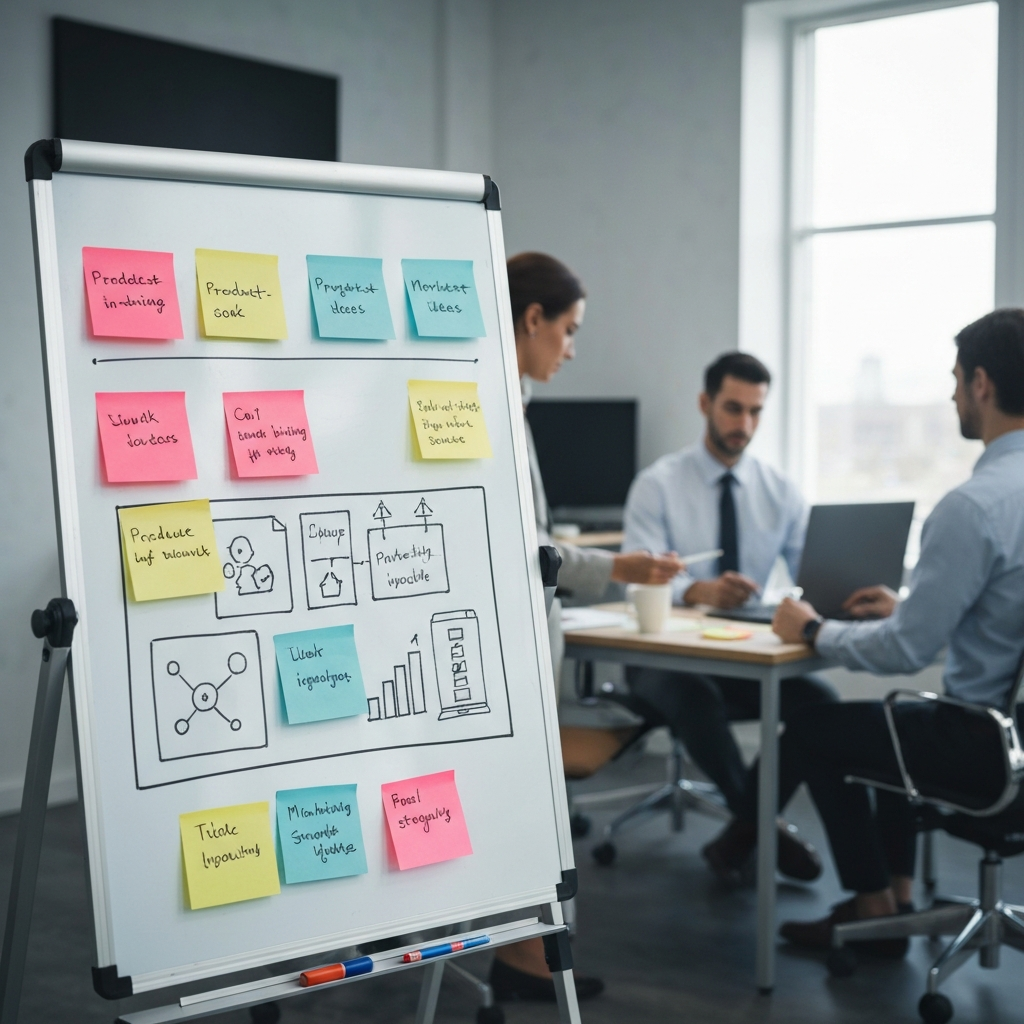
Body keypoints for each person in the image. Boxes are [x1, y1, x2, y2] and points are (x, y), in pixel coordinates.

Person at [742, 308, 1024, 954]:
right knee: (890, 728)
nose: (952, 395)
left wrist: (815, 629)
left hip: (981, 748)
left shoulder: (973, 506)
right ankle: (897, 896)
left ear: (982, 383)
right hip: (1018, 740)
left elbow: (906, 651)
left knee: (817, 730)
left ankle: (872, 907)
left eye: (955, 380)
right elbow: (1003, 621)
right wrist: (912, 605)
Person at [489, 252, 684, 1004]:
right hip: (508, 650)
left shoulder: (508, 398)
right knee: (520, 805)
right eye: (568, 330)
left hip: (522, 641)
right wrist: (618, 567)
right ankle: (525, 959)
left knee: (525, 806)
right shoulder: (491, 404)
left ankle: (526, 956)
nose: (571, 349)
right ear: (532, 318)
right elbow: (523, 547)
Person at [621, 351, 838, 884]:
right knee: (696, 696)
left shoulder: (780, 490)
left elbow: (812, 572)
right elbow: (636, 579)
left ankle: (741, 832)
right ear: (705, 403)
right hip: (663, 660)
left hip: (742, 655)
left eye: (755, 411)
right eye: (733, 408)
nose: (745, 424)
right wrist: (699, 590)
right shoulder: (658, 484)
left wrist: (835, 595)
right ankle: (764, 828)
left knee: (820, 704)